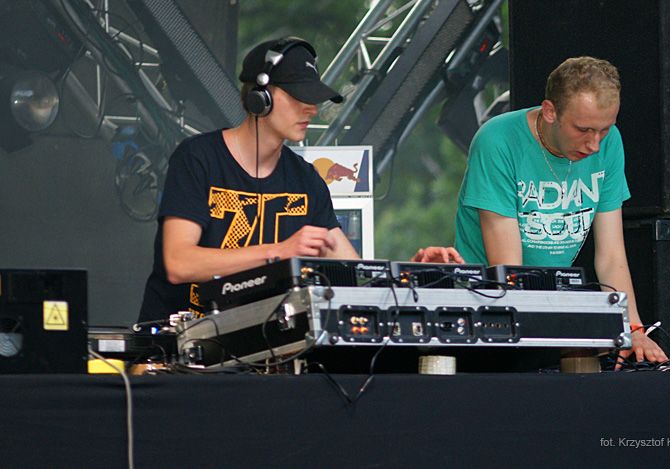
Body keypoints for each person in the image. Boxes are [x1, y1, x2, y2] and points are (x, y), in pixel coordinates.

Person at [139, 36, 461, 322]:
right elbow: (179, 263)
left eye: (313, 98)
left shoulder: (305, 179)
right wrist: (280, 252)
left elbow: (356, 279)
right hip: (176, 348)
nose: (311, 109)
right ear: (260, 97)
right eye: (298, 96)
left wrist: (414, 274)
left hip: (259, 352)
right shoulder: (197, 158)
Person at [454, 56, 666, 366]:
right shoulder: (498, 141)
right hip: (486, 307)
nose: (594, 145)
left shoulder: (610, 144)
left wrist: (632, 329)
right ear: (550, 111)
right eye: (583, 130)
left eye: (604, 130)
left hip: (550, 301)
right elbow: (508, 271)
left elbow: (611, 255)